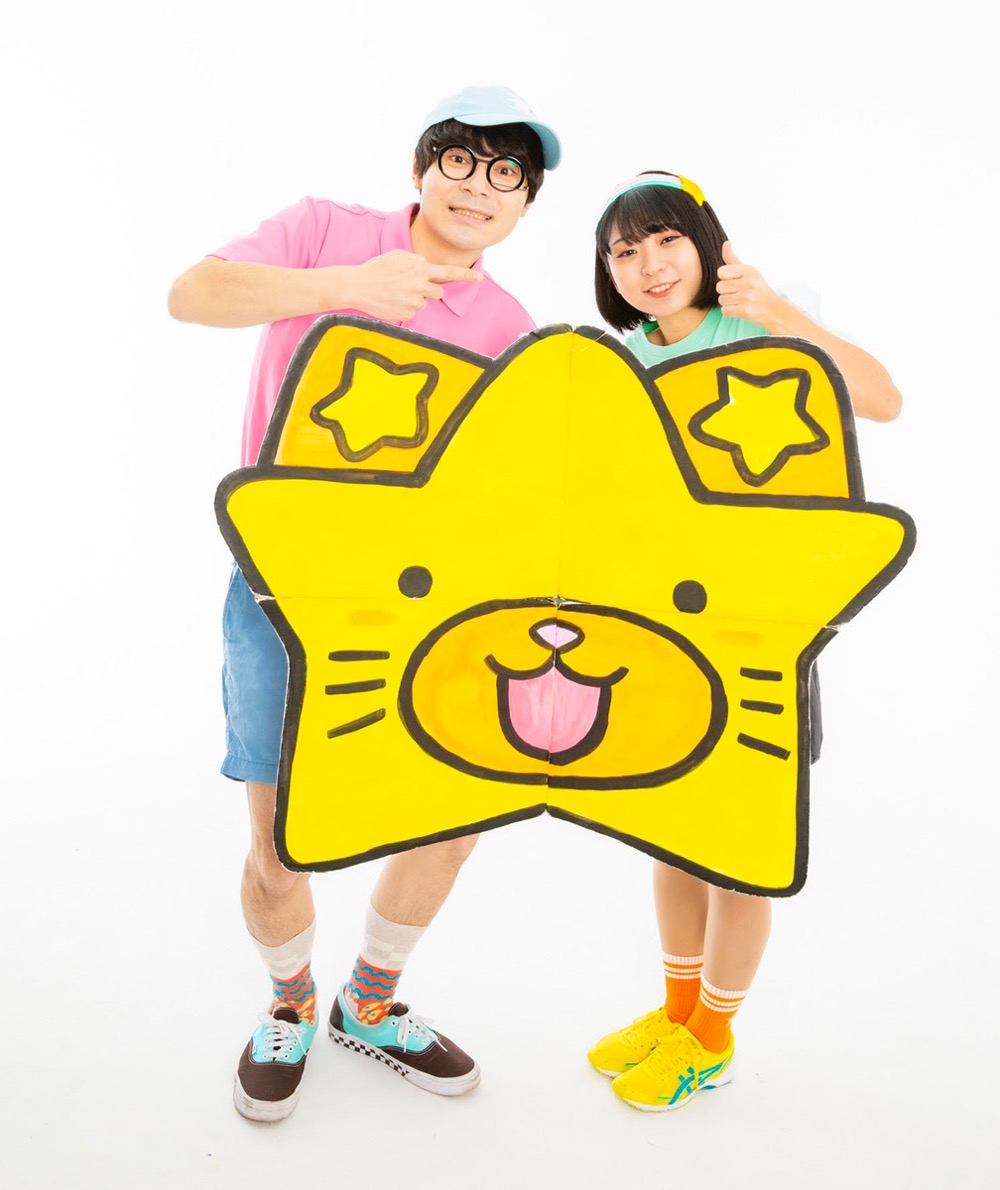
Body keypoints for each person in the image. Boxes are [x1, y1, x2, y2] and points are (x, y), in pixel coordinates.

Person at [167, 85, 561, 1123]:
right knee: (280, 844)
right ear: (421, 169)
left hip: (422, 610)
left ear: (524, 206)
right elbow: (192, 294)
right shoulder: (322, 231)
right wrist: (350, 286)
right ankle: (292, 1003)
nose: (479, 186)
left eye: (507, 173)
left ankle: (369, 1004)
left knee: (451, 823)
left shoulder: (511, 327)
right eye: (461, 160)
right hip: (281, 591)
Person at [585, 170, 902, 1112]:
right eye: (625, 250)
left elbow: (882, 399)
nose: (649, 265)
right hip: (660, 640)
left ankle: (713, 1038)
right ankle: (678, 1012)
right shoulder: (621, 362)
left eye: (666, 240)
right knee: (671, 837)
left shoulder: (765, 321)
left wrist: (777, 314)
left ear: (707, 243)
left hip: (759, 636)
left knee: (738, 845)